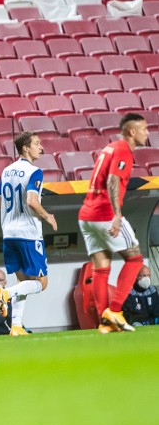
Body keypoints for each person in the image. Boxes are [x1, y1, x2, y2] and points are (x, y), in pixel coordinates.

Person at [78, 113, 150, 333]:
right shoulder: (123, 150)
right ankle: (116, 309)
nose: (147, 133)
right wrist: (117, 214)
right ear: (131, 131)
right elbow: (113, 180)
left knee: (101, 268)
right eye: (144, 129)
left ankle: (104, 320)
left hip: (86, 214)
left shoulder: (110, 148)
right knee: (135, 258)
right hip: (105, 213)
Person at [0, 132, 58, 336]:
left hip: (8, 233)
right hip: (28, 234)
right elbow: (31, 201)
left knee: (24, 283)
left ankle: (16, 326)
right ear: (25, 149)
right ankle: (5, 293)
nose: (42, 147)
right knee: (41, 283)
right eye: (37, 143)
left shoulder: (6, 171)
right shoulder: (34, 172)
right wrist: (47, 216)